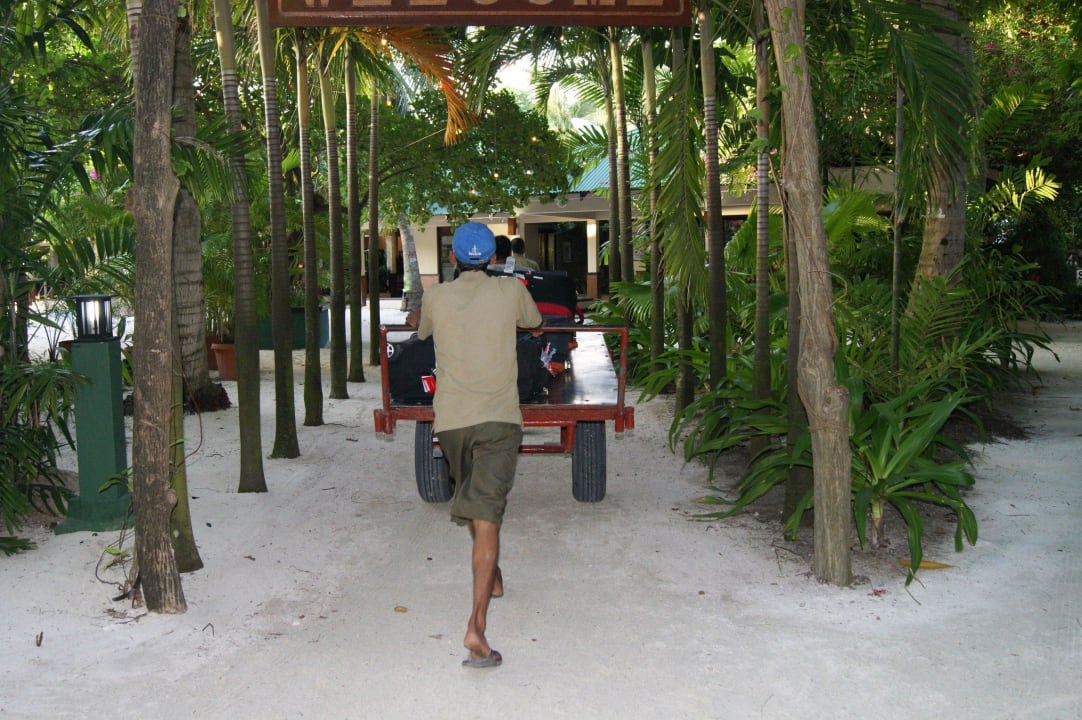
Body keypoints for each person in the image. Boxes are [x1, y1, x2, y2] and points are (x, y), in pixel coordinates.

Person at [406, 222, 542, 669]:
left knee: (477, 505)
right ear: (494, 258)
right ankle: (476, 629)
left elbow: (421, 330)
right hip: (499, 420)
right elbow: (535, 322)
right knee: (483, 512)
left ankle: (492, 577)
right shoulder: (512, 290)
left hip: (453, 424)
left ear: (453, 258)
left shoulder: (437, 297)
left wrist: (417, 317)